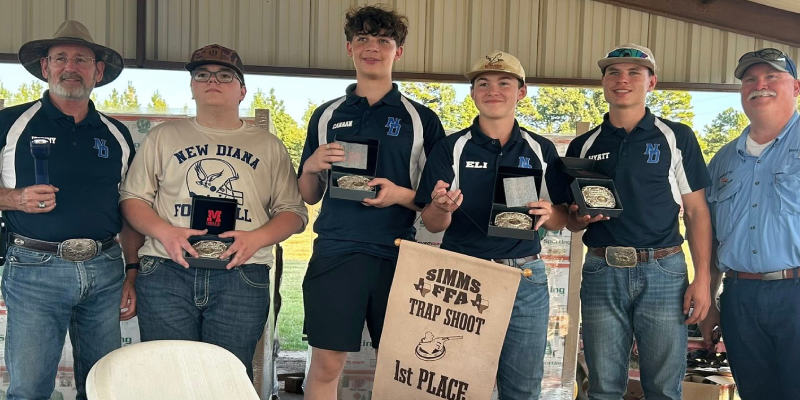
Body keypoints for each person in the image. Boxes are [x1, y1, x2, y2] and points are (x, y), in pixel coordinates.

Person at [119, 44, 308, 379]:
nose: (212, 81)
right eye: (202, 75)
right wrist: (166, 231)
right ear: (192, 86)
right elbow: (133, 199)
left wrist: (257, 238)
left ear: (242, 90)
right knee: (169, 377)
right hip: (167, 269)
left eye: (225, 75)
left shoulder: (268, 146)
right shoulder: (163, 136)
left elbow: (293, 212)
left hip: (241, 272)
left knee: (227, 378)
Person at [297, 5, 445, 399]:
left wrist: (399, 195)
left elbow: (434, 207)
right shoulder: (326, 114)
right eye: (362, 39)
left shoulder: (422, 119)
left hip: (397, 255)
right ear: (349, 48)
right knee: (327, 365)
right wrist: (311, 165)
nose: (372, 48)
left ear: (399, 51)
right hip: (337, 249)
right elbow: (309, 194)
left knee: (401, 369)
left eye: (383, 40)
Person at [415, 50, 570, 399]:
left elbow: (565, 218)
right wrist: (442, 206)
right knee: (458, 387)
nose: (493, 90)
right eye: (482, 83)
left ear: (522, 92)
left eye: (504, 82)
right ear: (473, 94)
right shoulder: (450, 147)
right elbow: (433, 223)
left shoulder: (541, 148)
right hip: (462, 277)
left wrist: (551, 213)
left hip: (524, 279)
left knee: (522, 389)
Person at [0, 20, 141, 399]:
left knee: (103, 387)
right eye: (60, 57)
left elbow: (130, 209)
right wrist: (13, 198)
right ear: (45, 68)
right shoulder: (10, 123)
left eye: (81, 58)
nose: (70, 66)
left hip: (106, 270)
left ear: (97, 70)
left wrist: (131, 272)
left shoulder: (116, 134)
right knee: (29, 389)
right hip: (34, 271)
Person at [565, 44, 712, 400]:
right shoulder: (583, 145)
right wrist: (580, 217)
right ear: (603, 82)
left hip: (664, 270)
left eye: (634, 73)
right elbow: (571, 221)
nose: (623, 80)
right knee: (602, 387)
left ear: (652, 82)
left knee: (663, 388)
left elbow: (696, 211)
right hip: (602, 269)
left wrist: (704, 278)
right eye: (613, 72)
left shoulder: (676, 136)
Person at [701, 48, 800, 400]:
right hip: (740, 297)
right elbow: (709, 239)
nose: (760, 85)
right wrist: (710, 300)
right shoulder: (723, 160)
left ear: (796, 87)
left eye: (772, 77)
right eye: (750, 80)